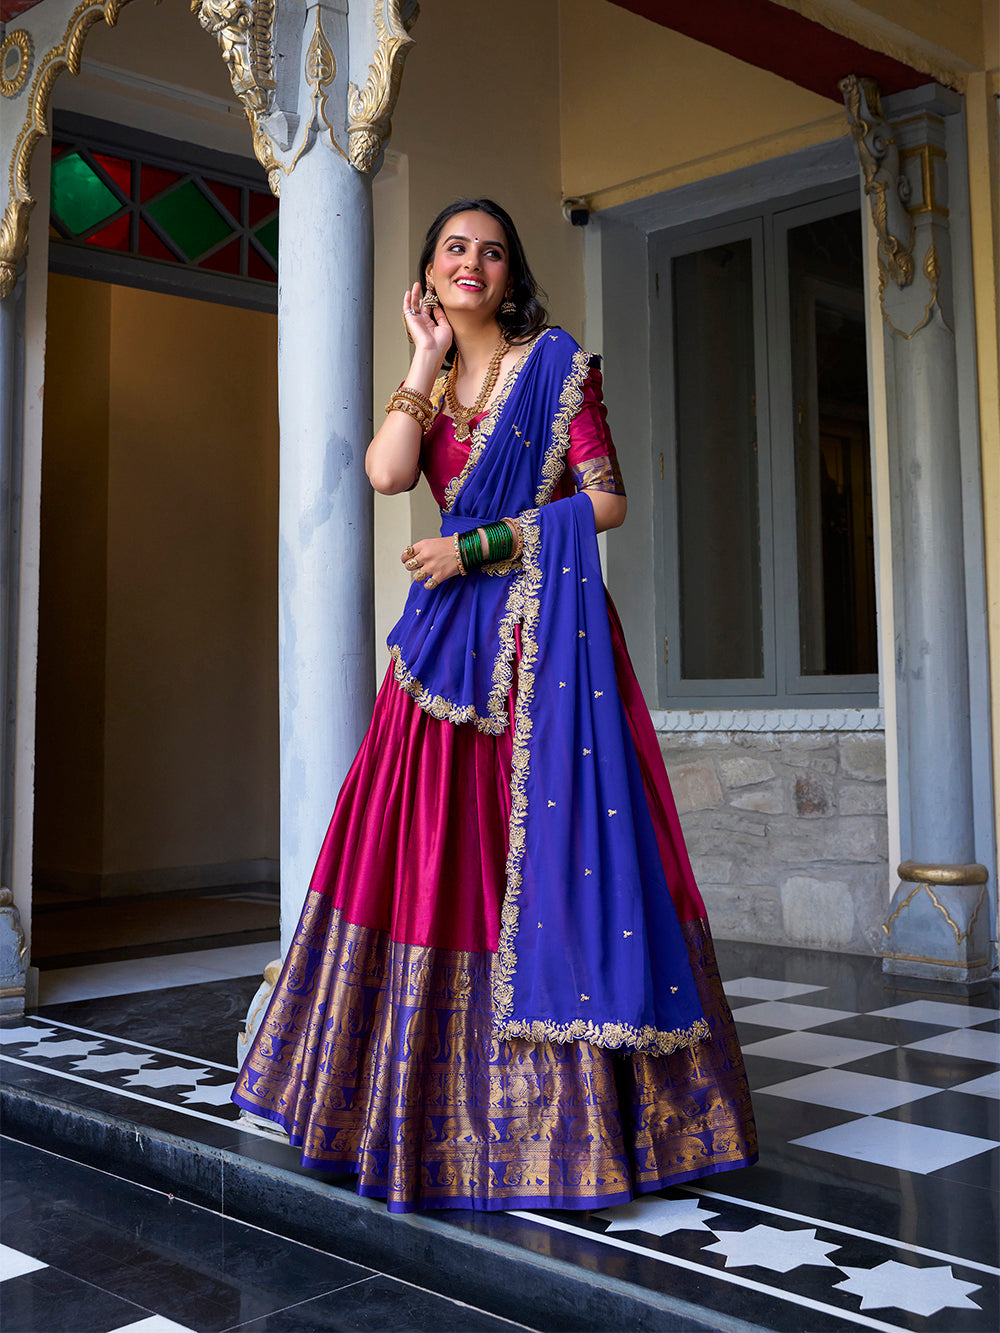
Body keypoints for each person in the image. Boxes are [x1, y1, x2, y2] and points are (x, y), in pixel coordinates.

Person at [232, 199, 757, 1213]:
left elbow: (604, 500)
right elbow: (389, 473)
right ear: (429, 274)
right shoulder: (430, 372)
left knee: (548, 857)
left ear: (511, 275)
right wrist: (422, 360)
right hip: (444, 655)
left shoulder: (558, 367)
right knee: (432, 857)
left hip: (547, 645)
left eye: (491, 251)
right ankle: (420, 1102)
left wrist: (481, 543)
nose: (472, 263)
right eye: (453, 250)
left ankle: (579, 1119)